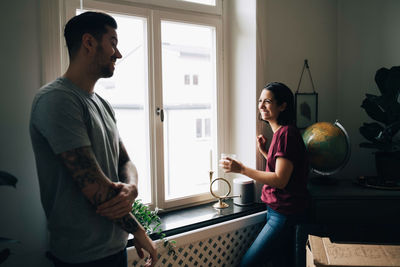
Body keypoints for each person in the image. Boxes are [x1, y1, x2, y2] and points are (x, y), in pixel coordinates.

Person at [29, 11, 157, 267]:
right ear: (89, 42)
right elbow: (97, 190)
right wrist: (139, 231)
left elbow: (125, 161)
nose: (118, 54)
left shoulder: (103, 104)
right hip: (81, 257)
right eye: (113, 42)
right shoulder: (57, 101)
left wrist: (132, 187)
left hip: (113, 247)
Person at [219, 82, 310, 267]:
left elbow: (280, 179)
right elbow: (285, 170)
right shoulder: (282, 134)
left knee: (248, 263)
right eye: (260, 101)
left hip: (284, 214)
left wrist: (242, 169)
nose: (260, 106)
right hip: (279, 211)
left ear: (283, 105)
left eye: (267, 101)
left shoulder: (285, 134)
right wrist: (264, 152)